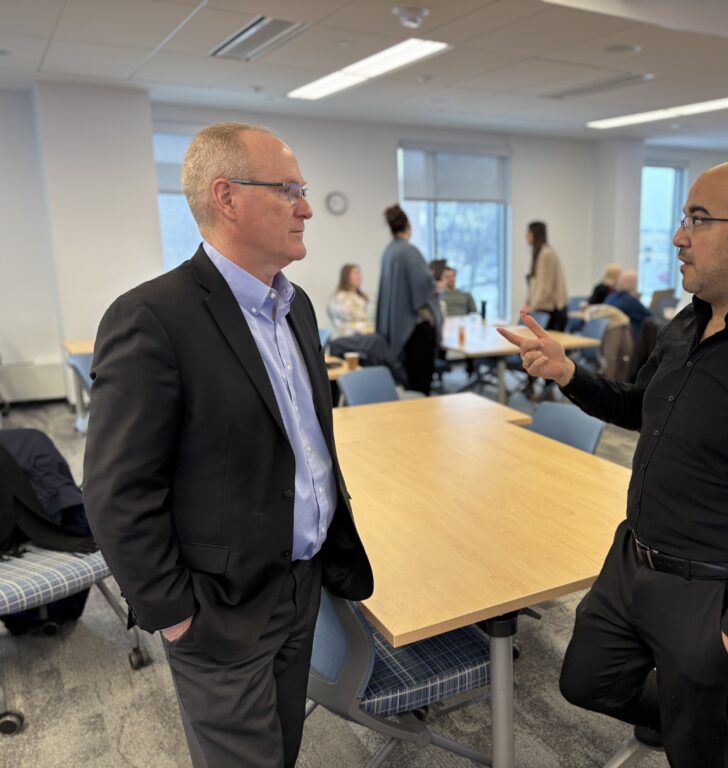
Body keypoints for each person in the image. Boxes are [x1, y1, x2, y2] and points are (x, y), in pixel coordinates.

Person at [498, 160, 728, 767]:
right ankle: (697, 712)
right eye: (683, 218)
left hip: (714, 592)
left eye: (697, 220)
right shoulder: (690, 321)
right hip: (633, 559)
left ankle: (706, 720)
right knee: (585, 682)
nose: (678, 236)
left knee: (697, 753)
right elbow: (643, 408)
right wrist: (568, 374)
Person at [83, 122, 373, 768]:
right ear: (227, 197)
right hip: (217, 609)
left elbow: (301, 441)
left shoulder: (295, 308)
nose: (305, 206)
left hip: (302, 586)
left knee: (283, 749)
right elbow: (115, 494)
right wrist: (177, 615)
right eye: (289, 190)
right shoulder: (152, 319)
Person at [375, 205, 442, 395]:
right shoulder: (410, 252)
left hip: (398, 329)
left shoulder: (389, 251)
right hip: (414, 331)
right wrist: (435, 285)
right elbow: (423, 290)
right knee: (420, 388)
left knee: (408, 385)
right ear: (408, 226)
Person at [521, 221, 568, 331]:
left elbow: (544, 288)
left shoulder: (546, 253)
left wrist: (531, 307)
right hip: (544, 309)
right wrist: (527, 303)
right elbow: (533, 285)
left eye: (528, 233)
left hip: (553, 311)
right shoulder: (538, 253)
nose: (525, 236)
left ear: (535, 234)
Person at [326, 263, 372, 337]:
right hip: (348, 339)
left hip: (364, 338)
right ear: (347, 277)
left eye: (359, 274)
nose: (360, 277)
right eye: (356, 273)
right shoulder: (338, 298)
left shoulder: (361, 297)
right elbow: (349, 321)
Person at [604, 270, 652, 340]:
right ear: (633, 283)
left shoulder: (611, 297)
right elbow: (648, 314)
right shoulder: (629, 300)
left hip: (609, 336)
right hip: (629, 337)